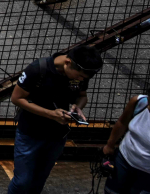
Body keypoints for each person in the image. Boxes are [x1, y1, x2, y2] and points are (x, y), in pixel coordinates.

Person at [8, 45, 105, 194]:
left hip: (57, 136)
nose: (80, 80)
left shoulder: (80, 74)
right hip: (30, 133)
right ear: (67, 62)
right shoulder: (37, 69)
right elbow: (17, 98)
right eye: (79, 76)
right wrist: (50, 114)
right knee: (22, 182)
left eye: (83, 79)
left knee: (39, 179)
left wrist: (78, 107)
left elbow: (82, 96)